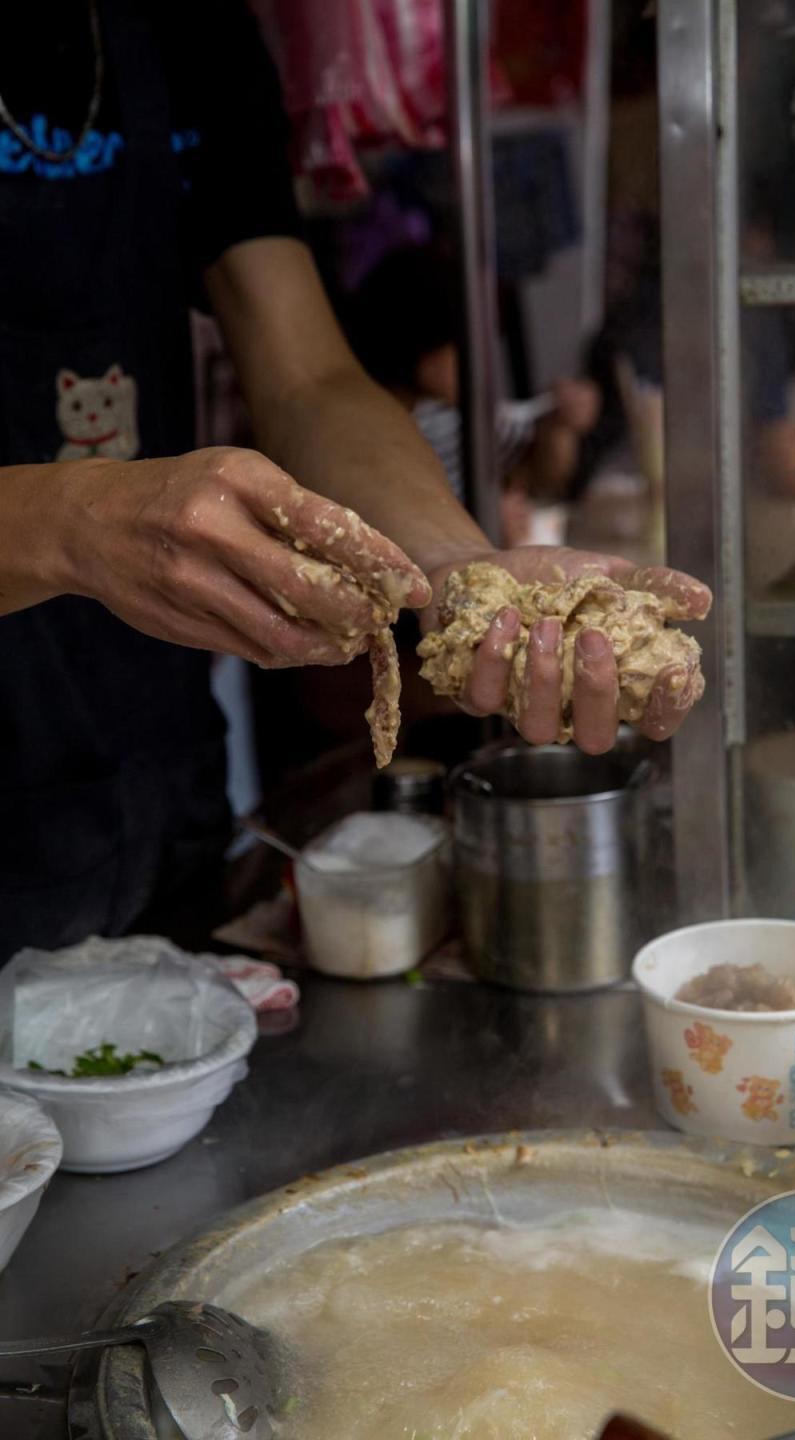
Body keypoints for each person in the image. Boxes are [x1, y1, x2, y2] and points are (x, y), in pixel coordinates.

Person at [0, 0, 709, 961]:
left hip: (149, 782)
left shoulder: (183, 28)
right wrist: (67, 520)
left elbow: (309, 377)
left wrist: (459, 567)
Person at [344, 245, 601, 542]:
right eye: (464, 348)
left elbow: (542, 474)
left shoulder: (448, 416)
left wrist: (560, 424)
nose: (479, 362)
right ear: (423, 351)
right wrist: (484, 530)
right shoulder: (372, 439)